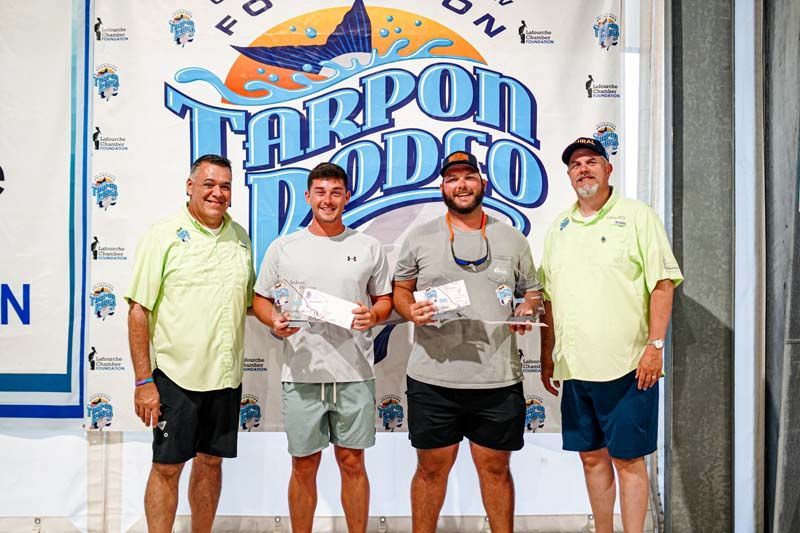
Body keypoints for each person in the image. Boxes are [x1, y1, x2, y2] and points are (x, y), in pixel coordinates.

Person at [539, 137, 683, 533]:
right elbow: (547, 297)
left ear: (608, 169)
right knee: (591, 458)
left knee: (629, 461)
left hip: (629, 367)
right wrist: (548, 354)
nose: (583, 169)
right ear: (568, 176)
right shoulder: (560, 228)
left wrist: (655, 347)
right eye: (575, 165)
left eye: (591, 161)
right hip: (576, 367)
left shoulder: (638, 216)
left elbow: (663, 284)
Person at [393, 150, 542, 533]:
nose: (461, 185)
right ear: (442, 186)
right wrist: (410, 311)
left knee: (496, 469)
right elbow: (401, 291)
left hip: (497, 380)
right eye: (452, 178)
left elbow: (533, 292)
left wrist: (526, 308)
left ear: (483, 183)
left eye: (469, 177)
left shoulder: (512, 238)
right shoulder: (420, 238)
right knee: (430, 470)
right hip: (433, 380)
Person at [252, 162, 393, 533]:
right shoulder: (284, 248)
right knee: (303, 465)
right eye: (320, 191)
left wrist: (374, 316)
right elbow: (261, 300)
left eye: (335, 192)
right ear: (307, 196)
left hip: (355, 373)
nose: (327, 200)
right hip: (300, 374)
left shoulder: (368, 246)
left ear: (347, 197)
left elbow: (384, 300)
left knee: (352, 462)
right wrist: (274, 321)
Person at [125, 154, 255, 533]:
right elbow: (138, 311)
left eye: (225, 186)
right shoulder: (162, 235)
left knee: (211, 463)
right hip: (174, 378)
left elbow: (247, 303)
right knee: (167, 467)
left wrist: (281, 315)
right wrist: (143, 381)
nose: (218, 193)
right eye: (209, 184)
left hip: (226, 377)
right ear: (190, 186)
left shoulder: (240, 238)